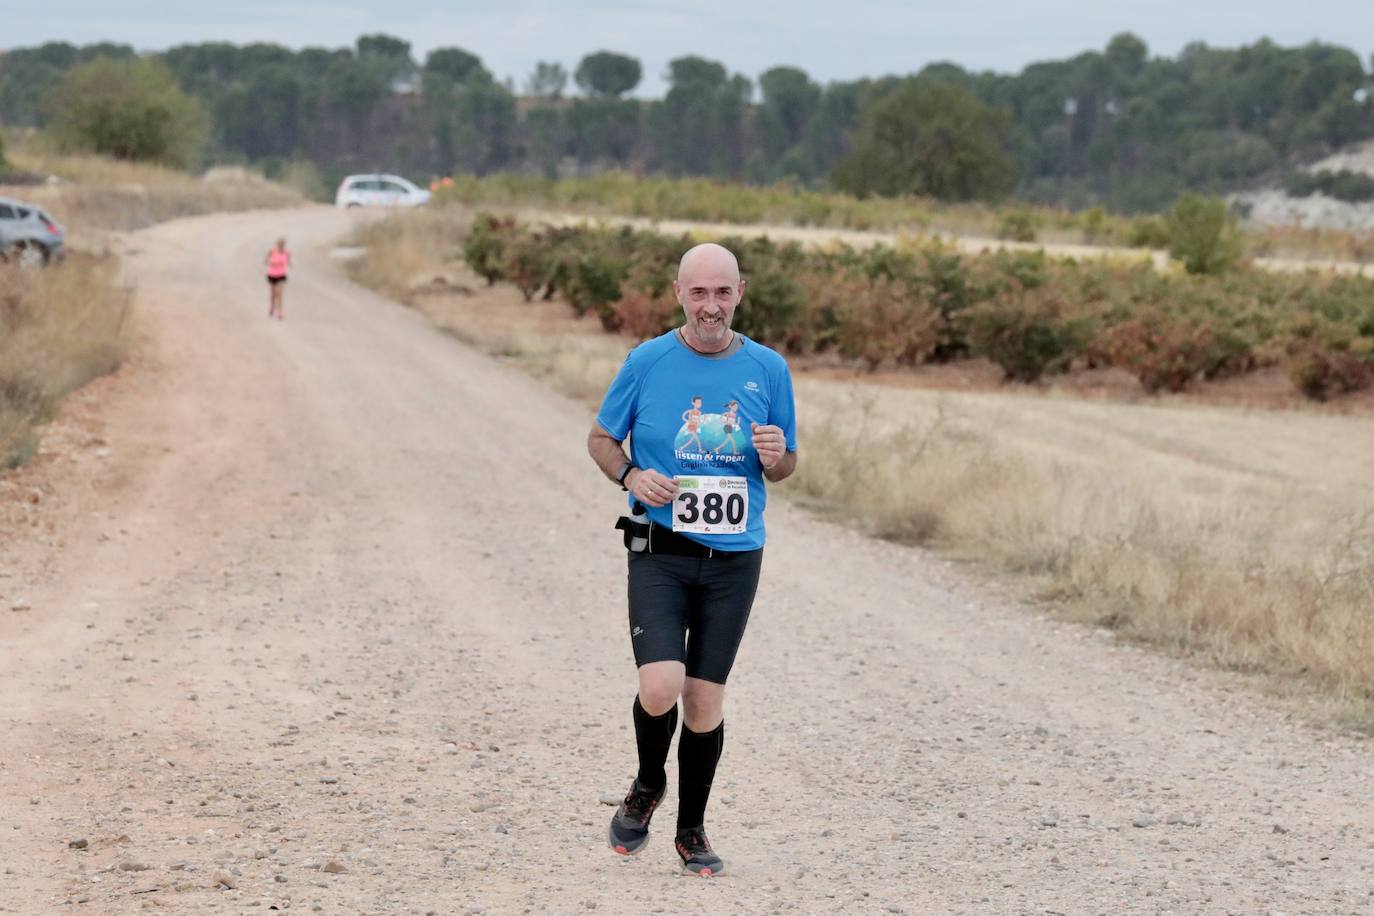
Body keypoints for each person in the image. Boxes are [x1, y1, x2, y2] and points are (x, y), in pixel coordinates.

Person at [587, 242, 798, 877]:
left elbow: (785, 464)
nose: (711, 306)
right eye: (699, 292)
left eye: (723, 292)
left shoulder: (769, 368)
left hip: (734, 560)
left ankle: (691, 830)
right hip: (661, 552)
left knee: (704, 701)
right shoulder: (647, 361)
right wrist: (631, 475)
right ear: (679, 293)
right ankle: (648, 782)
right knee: (660, 688)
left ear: (740, 294)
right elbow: (601, 438)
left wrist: (776, 455)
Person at [264, 238, 291, 320]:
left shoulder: (287, 253)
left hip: (281, 275)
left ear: (284, 245)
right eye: (279, 244)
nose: (281, 246)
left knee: (279, 294)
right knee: (273, 294)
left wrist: (289, 264)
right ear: (277, 245)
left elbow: (289, 263)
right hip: (272, 275)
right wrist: (272, 263)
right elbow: (266, 261)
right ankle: (272, 307)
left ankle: (280, 312)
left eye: (282, 245)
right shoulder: (271, 252)